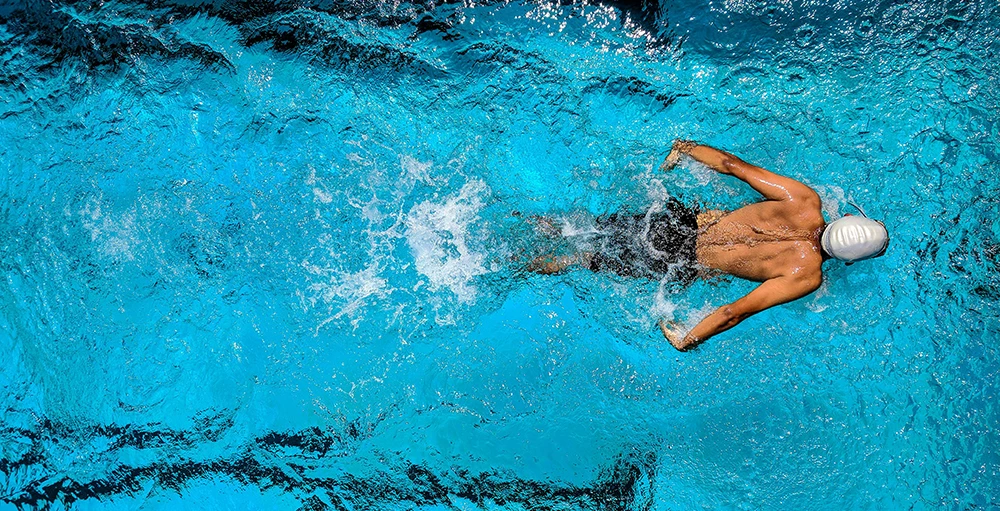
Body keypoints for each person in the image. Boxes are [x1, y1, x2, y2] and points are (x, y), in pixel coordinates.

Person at [528, 140, 889, 351]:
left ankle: (528, 221)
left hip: (676, 221)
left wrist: (686, 149)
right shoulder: (806, 275)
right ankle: (518, 264)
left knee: (579, 228)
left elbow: (733, 165)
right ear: (849, 261)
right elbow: (735, 311)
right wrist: (688, 338)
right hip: (678, 262)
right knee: (583, 259)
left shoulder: (804, 200)